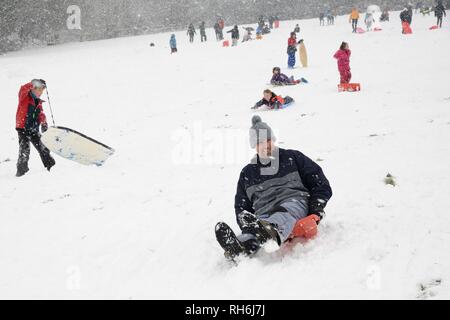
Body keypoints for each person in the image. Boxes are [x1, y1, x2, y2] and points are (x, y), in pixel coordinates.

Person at [215, 116, 332, 258]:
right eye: (261, 142)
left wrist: (316, 209)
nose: (266, 145)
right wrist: (246, 224)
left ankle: (272, 232)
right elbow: (241, 206)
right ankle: (243, 246)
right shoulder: (248, 172)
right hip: (263, 214)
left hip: (293, 204)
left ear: (273, 139)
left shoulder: (293, 157)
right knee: (256, 224)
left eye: (268, 140)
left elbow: (320, 183)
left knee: (282, 212)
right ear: (255, 146)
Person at [15, 79, 55, 177]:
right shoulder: (24, 97)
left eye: (42, 91)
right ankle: (21, 171)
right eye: (40, 90)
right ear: (33, 88)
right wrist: (32, 83)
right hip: (23, 128)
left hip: (33, 129)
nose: (41, 93)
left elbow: (40, 113)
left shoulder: (38, 102)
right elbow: (22, 89)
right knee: (24, 150)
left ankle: (51, 166)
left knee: (43, 147)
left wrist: (44, 122)